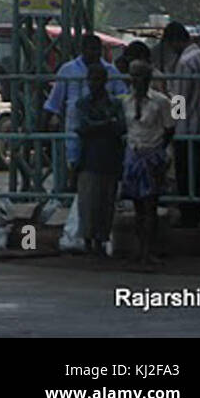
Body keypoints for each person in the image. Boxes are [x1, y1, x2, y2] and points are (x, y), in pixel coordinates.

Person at [43, 33, 127, 186]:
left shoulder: (111, 72)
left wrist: (177, 120)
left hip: (106, 132)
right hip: (77, 127)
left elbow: (123, 98)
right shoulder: (69, 72)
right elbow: (55, 101)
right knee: (75, 162)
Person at [119, 60, 175, 269]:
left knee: (150, 206)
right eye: (133, 76)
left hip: (152, 154)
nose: (137, 80)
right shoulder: (126, 102)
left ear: (149, 78)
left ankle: (148, 251)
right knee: (137, 207)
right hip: (133, 155)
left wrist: (160, 152)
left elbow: (170, 129)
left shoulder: (161, 102)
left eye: (141, 76)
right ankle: (138, 248)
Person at [72, 62, 126, 257]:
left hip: (109, 158)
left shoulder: (115, 103)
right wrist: (106, 124)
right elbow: (84, 127)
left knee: (106, 203)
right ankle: (88, 241)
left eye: (97, 79)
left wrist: (98, 126)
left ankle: (101, 241)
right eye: (91, 80)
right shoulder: (83, 104)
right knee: (88, 204)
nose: (94, 84)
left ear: (104, 81)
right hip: (89, 158)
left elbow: (120, 127)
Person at [163, 21, 200, 228]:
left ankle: (188, 219)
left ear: (175, 41)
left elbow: (179, 101)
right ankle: (196, 216)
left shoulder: (184, 62)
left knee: (185, 176)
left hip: (186, 128)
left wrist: (171, 126)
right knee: (198, 175)